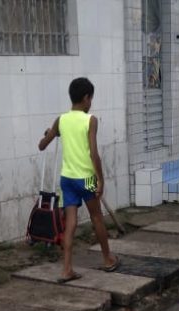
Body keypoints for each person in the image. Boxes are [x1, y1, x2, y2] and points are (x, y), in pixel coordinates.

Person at [38, 77, 119, 283]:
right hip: (87, 179)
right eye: (91, 99)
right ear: (85, 98)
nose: (91, 103)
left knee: (71, 224)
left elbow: (42, 145)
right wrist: (100, 180)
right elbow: (93, 153)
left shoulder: (61, 120)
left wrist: (50, 134)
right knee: (97, 218)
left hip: (67, 179)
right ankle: (108, 259)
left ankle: (66, 269)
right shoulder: (90, 120)